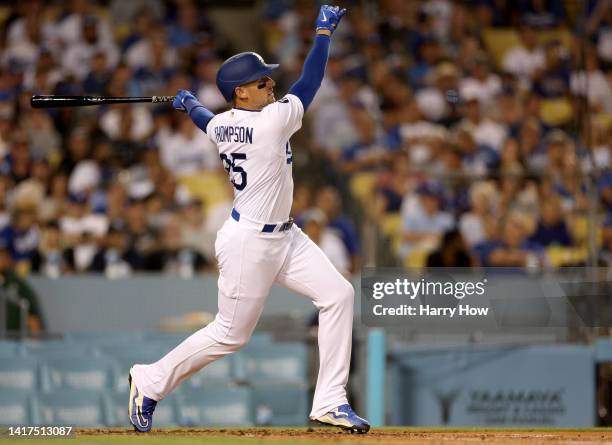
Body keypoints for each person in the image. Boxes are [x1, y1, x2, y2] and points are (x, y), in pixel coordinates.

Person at [128, 5, 370, 434]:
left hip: (285, 236)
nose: (272, 84)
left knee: (339, 295)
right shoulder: (271, 123)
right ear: (241, 93)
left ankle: (330, 400)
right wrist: (322, 32)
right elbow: (310, 82)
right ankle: (150, 380)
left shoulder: (223, 124)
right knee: (229, 335)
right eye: (262, 81)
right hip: (249, 243)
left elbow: (208, 121)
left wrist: (191, 108)